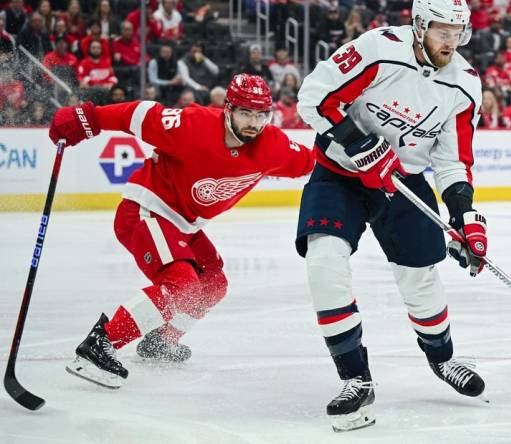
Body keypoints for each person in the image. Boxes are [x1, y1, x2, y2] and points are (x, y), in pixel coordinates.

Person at [48, 74, 314, 389]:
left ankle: (161, 340)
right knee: (182, 285)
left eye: (260, 115)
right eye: (245, 113)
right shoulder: (193, 125)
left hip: (184, 224)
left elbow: (314, 162)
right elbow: (138, 114)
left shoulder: (273, 145)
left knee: (213, 283)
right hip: (147, 209)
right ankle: (100, 344)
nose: (253, 123)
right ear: (228, 108)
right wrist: (87, 118)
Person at [296, 0, 488, 432]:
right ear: (420, 26)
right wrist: (360, 144)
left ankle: (443, 359)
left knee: (420, 275)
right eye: (442, 31)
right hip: (338, 174)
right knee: (324, 261)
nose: (451, 41)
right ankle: (355, 378)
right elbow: (314, 98)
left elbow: (453, 161)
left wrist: (464, 215)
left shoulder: (464, 85)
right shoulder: (378, 49)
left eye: (458, 32)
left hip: (402, 181)